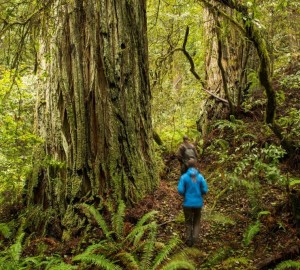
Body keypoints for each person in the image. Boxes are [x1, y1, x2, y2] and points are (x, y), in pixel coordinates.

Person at [177, 159, 208, 247]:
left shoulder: (184, 177)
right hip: (198, 203)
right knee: (196, 221)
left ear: (187, 166)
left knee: (188, 221)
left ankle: (189, 240)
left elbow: (180, 190)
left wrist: (185, 195)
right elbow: (205, 189)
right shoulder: (200, 177)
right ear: (196, 166)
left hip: (187, 203)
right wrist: (200, 193)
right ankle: (195, 239)